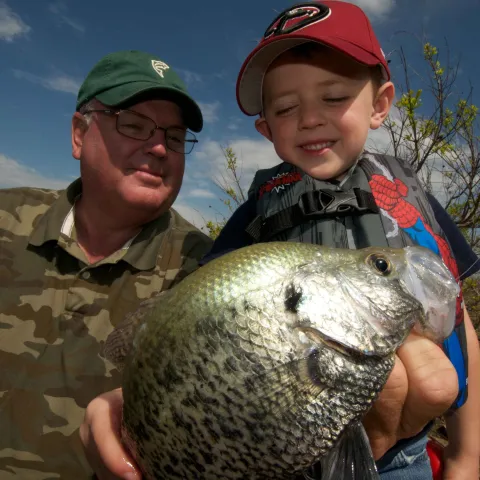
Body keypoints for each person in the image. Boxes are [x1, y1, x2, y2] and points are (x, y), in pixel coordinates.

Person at [200, 1, 479, 479]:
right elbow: (204, 316)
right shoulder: (254, 217)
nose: (310, 118)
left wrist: (466, 453)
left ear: (381, 104)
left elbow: (457, 320)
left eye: (333, 97)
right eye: (286, 108)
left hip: (402, 459)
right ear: (266, 129)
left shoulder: (414, 199)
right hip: (283, 456)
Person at [0, 49, 213, 479]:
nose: (157, 147)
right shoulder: (5, 219)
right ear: (80, 133)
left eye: (174, 137)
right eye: (133, 125)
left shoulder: (205, 273)